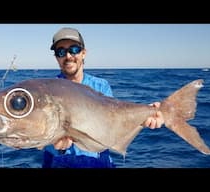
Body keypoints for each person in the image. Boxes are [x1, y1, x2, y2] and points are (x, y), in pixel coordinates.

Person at [41, 27, 164, 168]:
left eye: (74, 49)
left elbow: (113, 125)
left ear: (84, 53)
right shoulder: (46, 92)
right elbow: (40, 136)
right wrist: (57, 147)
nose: (68, 56)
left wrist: (145, 118)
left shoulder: (101, 86)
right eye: (61, 51)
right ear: (56, 57)